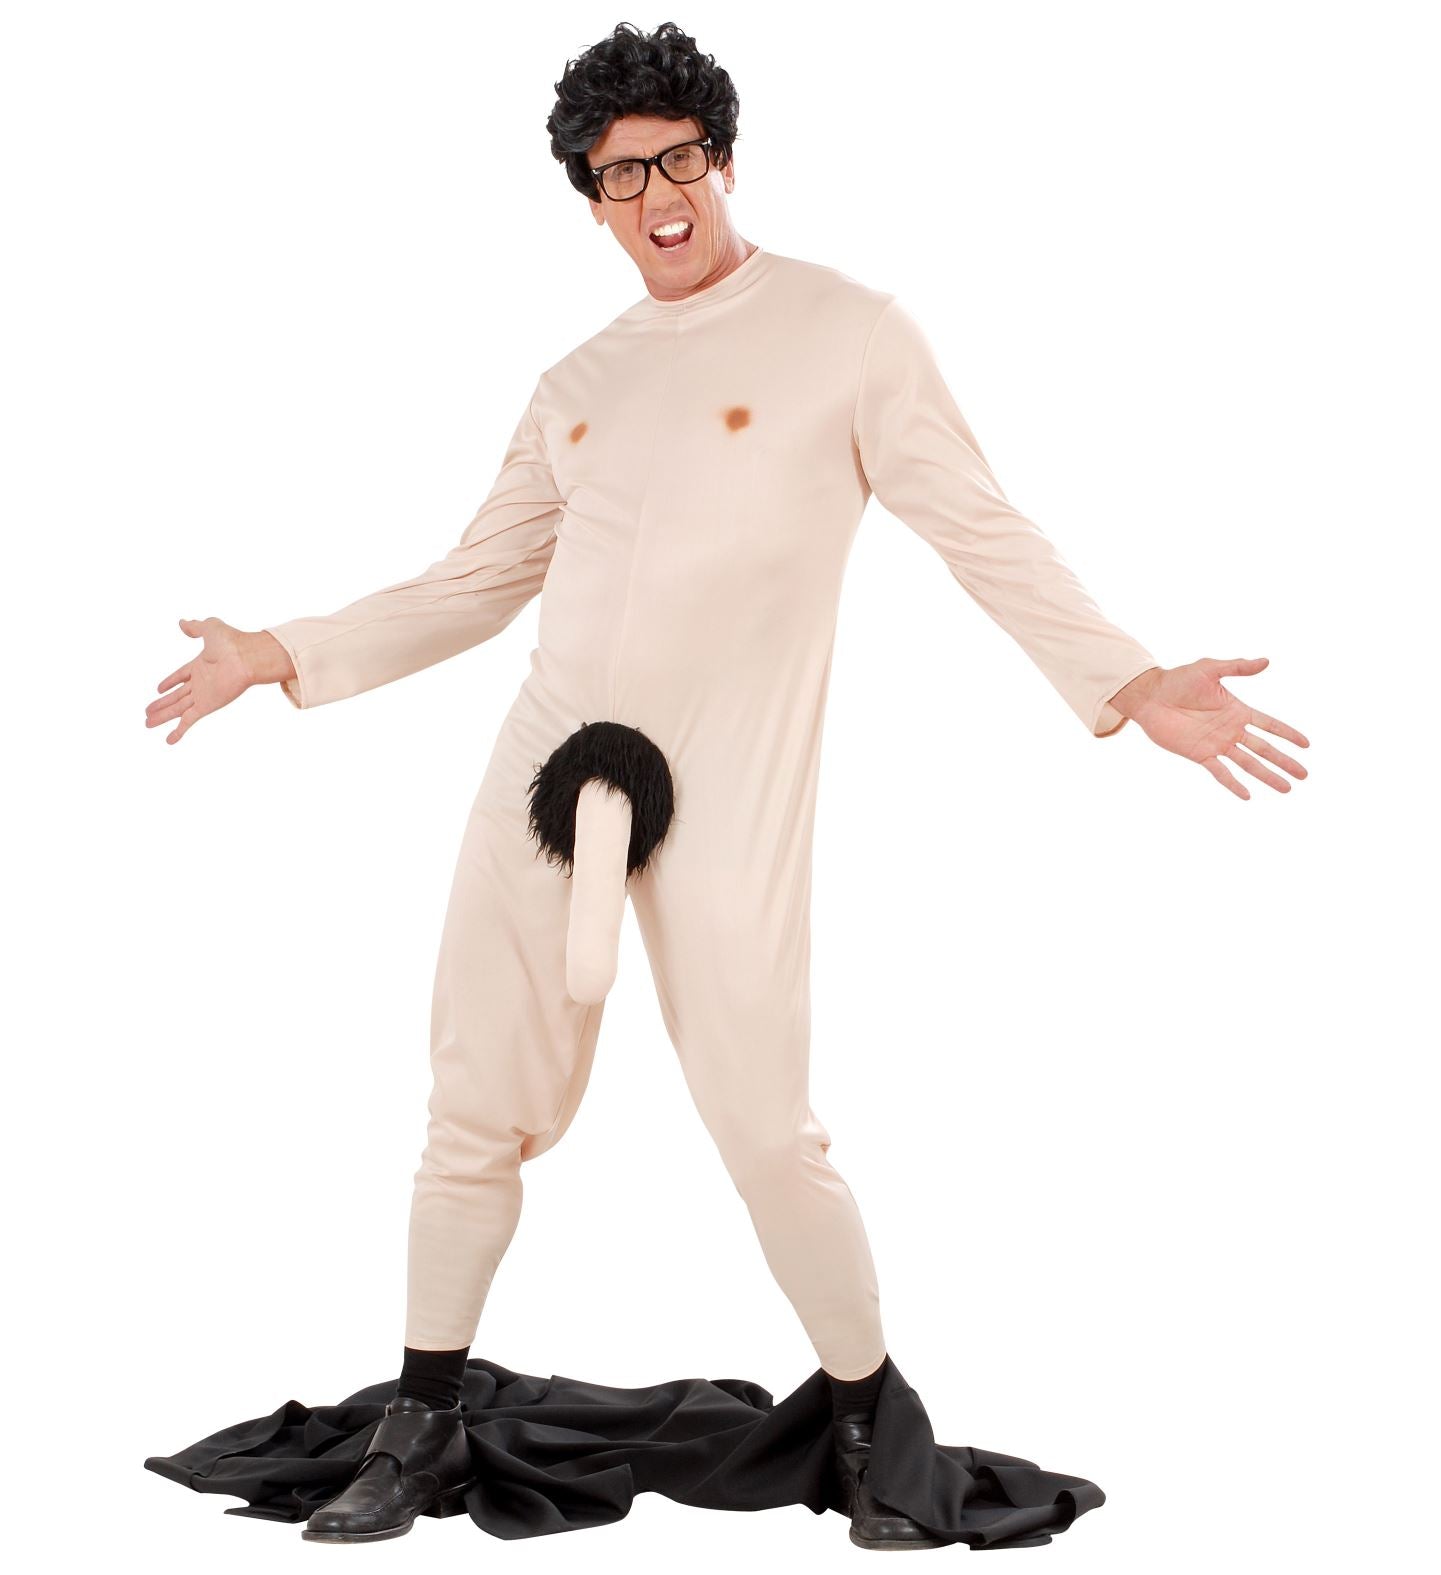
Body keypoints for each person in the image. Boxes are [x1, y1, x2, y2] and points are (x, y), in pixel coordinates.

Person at [143, 20, 1309, 1549]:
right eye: (619, 176)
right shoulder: (575, 381)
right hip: (545, 771)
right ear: (592, 202)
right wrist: (279, 652)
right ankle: (419, 1426)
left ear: (725, 159)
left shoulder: (847, 333)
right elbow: (473, 581)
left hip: (729, 785)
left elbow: (980, 525)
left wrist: (1129, 679)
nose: (656, 194)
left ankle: (868, 1423)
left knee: (765, 1125)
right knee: (471, 1108)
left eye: (676, 159)